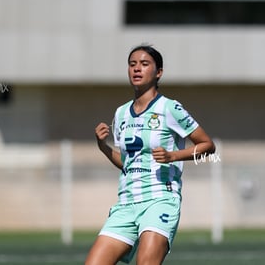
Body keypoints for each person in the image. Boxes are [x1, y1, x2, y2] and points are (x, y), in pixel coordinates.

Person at [85, 44, 215, 265]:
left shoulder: (170, 108)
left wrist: (174, 156)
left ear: (159, 72)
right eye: (132, 64)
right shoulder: (121, 112)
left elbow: (208, 146)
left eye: (144, 64)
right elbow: (127, 163)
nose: (137, 69)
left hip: (159, 200)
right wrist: (103, 146)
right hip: (126, 204)